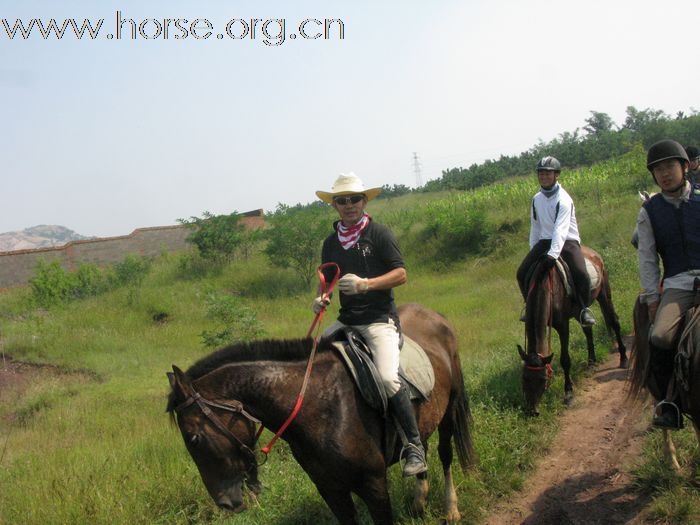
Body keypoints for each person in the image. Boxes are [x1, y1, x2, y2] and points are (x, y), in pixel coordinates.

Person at [312, 172, 427, 477]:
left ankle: (413, 446)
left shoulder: (380, 234)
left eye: (354, 199)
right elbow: (328, 278)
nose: (348, 205)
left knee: (389, 378)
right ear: (334, 205)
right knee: (311, 361)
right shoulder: (331, 242)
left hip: (379, 320)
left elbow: (401, 274)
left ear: (364, 201)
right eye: (342, 200)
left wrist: (366, 285)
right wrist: (321, 298)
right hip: (346, 321)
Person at [636, 139, 698, 429]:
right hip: (678, 284)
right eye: (658, 170)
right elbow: (647, 258)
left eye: (669, 167)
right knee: (660, 337)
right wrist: (651, 298)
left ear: (684, 167)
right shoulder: (650, 212)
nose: (664, 174)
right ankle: (668, 403)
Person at [516, 156, 596, 326]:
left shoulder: (564, 199)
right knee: (521, 273)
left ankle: (583, 309)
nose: (544, 177)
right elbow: (535, 227)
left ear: (556, 175)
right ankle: (530, 306)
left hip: (567, 241)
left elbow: (560, 229)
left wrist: (552, 255)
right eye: (541, 173)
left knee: (581, 272)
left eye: (548, 173)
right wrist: (533, 251)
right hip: (544, 241)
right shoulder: (536, 199)